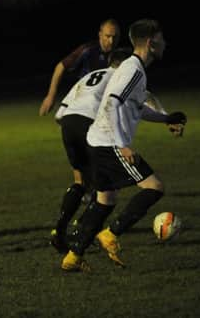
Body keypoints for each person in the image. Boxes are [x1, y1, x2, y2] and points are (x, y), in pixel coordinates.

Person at [60, 19, 187, 272]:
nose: (166, 43)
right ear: (151, 43)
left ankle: (73, 256)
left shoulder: (133, 69)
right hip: (109, 143)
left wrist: (165, 118)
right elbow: (113, 104)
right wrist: (122, 145)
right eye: (162, 39)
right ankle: (111, 234)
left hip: (97, 141)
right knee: (155, 187)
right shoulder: (133, 70)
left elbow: (136, 109)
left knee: (105, 200)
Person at [50, 47, 134, 253]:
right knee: (106, 187)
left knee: (81, 182)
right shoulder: (119, 79)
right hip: (88, 124)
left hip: (68, 123)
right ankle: (81, 232)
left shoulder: (90, 76)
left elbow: (59, 114)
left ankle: (60, 230)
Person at [39, 19, 121, 116]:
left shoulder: (120, 56)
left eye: (115, 37)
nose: (111, 41)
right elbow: (60, 67)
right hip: (82, 101)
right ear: (100, 34)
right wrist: (51, 96)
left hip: (103, 104)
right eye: (108, 36)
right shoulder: (88, 50)